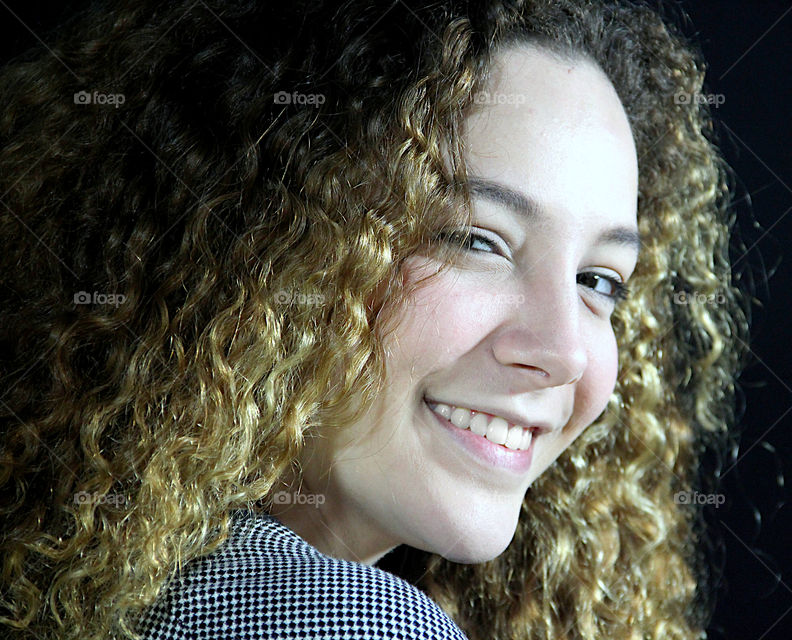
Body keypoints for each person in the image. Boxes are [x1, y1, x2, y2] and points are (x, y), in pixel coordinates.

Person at [0, 0, 750, 639]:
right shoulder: (351, 620)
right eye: (474, 240)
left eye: (597, 280)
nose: (561, 352)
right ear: (259, 242)